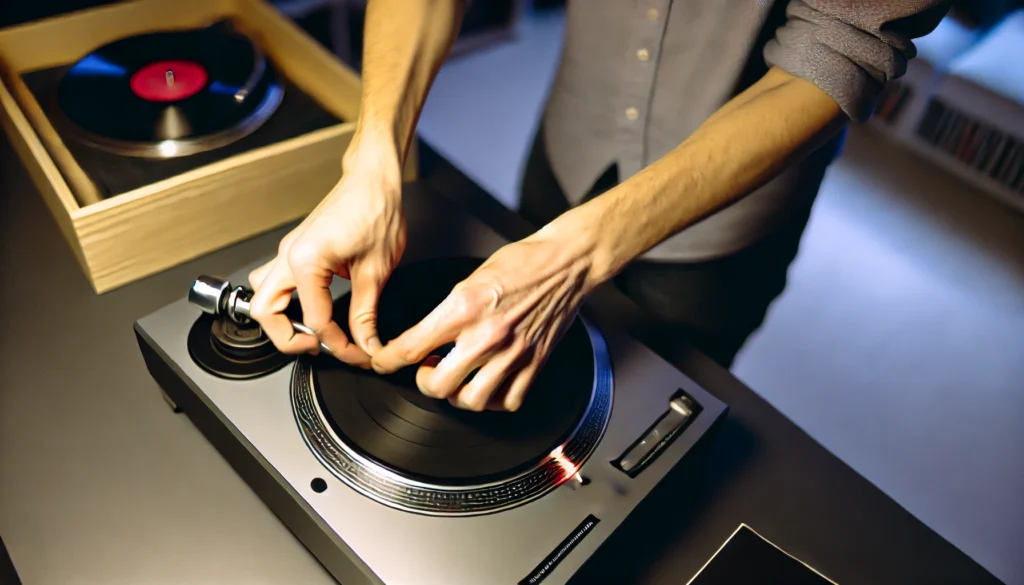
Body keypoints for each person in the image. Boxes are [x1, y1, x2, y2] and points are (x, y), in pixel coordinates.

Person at [248, 0, 950, 412]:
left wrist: (574, 255)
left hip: (724, 232)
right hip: (570, 146)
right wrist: (373, 155)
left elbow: (841, 44)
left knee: (650, 402)